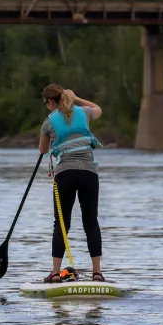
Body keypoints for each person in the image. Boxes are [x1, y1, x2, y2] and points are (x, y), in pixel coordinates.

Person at [38, 84, 105, 283]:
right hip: (88, 173)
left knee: (61, 223)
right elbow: (98, 109)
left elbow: (43, 150)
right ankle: (97, 273)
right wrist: (76, 99)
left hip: (65, 174)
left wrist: (50, 139)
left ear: (50, 102)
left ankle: (55, 273)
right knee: (91, 222)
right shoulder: (83, 112)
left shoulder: (48, 122)